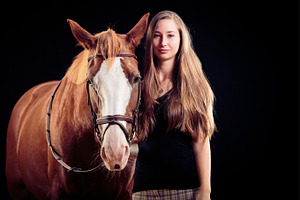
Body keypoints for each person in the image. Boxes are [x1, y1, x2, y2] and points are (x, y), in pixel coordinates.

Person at [132, 10, 216, 200]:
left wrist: (205, 190)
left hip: (186, 191)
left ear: (181, 39)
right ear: (150, 40)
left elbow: (201, 143)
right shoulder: (138, 89)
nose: (163, 43)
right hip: (143, 192)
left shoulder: (196, 88)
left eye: (170, 35)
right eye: (157, 36)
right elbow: (135, 145)